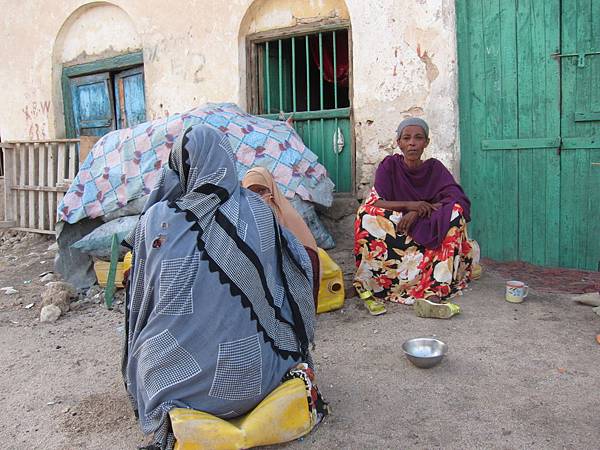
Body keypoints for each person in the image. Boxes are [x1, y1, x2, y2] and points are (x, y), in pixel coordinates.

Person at [122, 125, 326, 449]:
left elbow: (140, 300)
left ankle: (178, 409)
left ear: (180, 168)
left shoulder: (157, 218)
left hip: (180, 390)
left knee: (147, 333)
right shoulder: (259, 210)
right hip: (264, 379)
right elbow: (297, 265)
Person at [353, 117, 478, 317]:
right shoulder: (389, 165)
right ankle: (375, 281)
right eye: (407, 138)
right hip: (398, 223)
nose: (412, 142)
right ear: (399, 143)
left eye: (418, 138)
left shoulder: (435, 168)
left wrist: (417, 211)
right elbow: (376, 202)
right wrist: (410, 206)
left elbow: (457, 198)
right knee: (366, 215)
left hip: (428, 219)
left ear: (426, 143)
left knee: (455, 213)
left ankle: (435, 288)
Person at [242, 167, 320, 307]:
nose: (258, 197)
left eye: (261, 191)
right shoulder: (245, 220)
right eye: (252, 192)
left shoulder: (286, 215)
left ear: (271, 189)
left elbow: (307, 257)